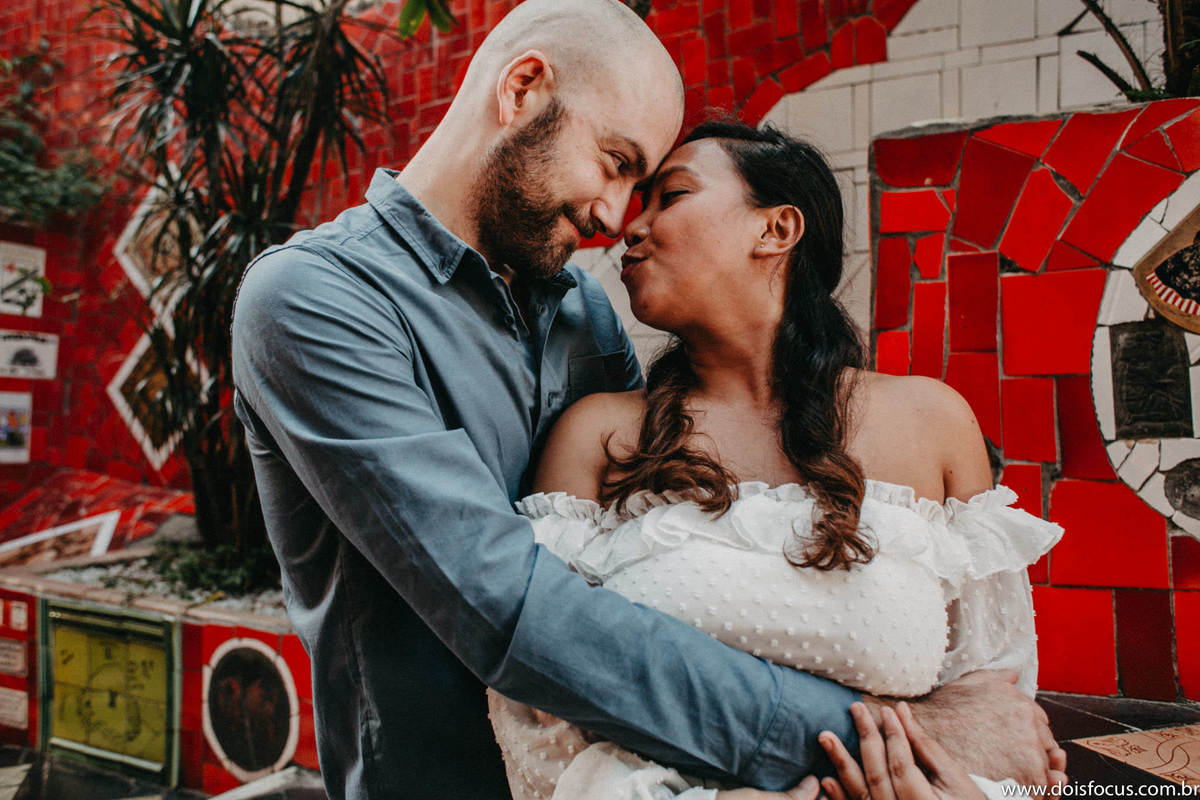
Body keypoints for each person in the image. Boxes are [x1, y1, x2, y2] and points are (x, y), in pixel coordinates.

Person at [231, 1, 1060, 796]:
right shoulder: (316, 300)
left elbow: (655, 559)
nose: (614, 216)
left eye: (656, 188)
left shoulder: (581, 315)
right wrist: (884, 738)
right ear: (522, 89)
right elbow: (510, 607)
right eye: (617, 163)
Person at [486, 121, 1068, 799]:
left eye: (671, 196)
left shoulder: (931, 423)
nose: (628, 229)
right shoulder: (600, 437)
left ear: (777, 229)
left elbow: (997, 709)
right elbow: (537, 713)